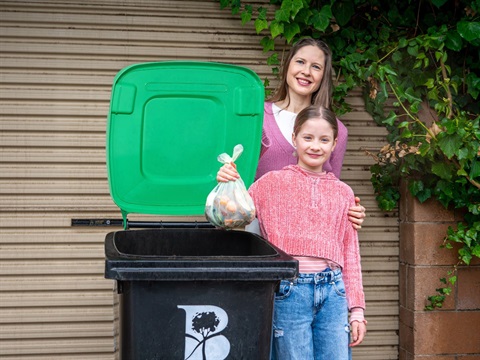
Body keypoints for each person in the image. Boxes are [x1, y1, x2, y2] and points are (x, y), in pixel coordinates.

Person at [248, 105, 367, 359]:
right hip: (289, 291)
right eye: (308, 137)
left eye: (324, 140)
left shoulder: (343, 193)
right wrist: (228, 182)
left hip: (333, 292)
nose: (316, 146)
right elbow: (230, 215)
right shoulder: (270, 183)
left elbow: (350, 253)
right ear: (294, 138)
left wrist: (357, 310)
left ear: (334, 144)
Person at [217, 37, 366, 229]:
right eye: (300, 62)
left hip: (309, 234)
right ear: (288, 65)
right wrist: (225, 173)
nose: (306, 71)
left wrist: (352, 212)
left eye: (316, 67)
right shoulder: (255, 118)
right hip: (258, 231)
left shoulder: (337, 130)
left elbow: (332, 192)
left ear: (323, 76)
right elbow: (232, 174)